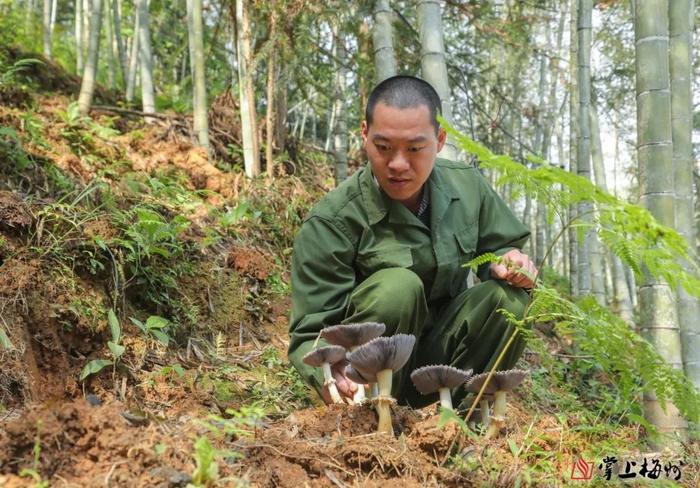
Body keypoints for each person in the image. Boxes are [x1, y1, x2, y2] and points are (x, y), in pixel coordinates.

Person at [288, 75, 537, 408]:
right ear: (364, 135)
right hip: (369, 378)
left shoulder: (468, 188)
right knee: (397, 287)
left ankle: (460, 423)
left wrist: (510, 262)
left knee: (510, 302)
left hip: (443, 363)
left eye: (416, 148)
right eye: (384, 147)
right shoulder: (333, 221)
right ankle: (374, 422)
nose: (398, 164)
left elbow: (503, 247)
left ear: (439, 139)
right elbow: (310, 333)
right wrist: (330, 376)